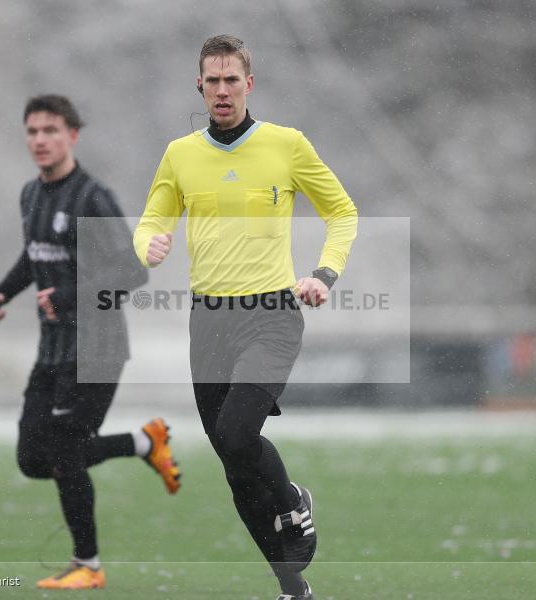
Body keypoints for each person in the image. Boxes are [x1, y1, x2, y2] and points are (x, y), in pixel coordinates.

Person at [134, 35, 357, 600]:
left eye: (232, 79)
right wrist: (149, 245)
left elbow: (341, 211)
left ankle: (293, 503)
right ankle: (292, 587)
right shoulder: (180, 155)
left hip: (271, 315)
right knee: (234, 466)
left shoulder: (286, 145)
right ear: (200, 87)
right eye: (213, 81)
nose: (223, 90)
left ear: (249, 84)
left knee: (237, 435)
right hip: (208, 322)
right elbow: (150, 220)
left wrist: (324, 275)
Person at [0, 95, 181, 591]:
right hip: (52, 349)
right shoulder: (30, 195)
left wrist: (70, 295)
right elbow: (35, 256)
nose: (40, 140)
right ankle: (143, 442)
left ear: (73, 135)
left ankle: (87, 565)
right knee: (32, 458)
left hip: (97, 347)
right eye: (32, 131)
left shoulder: (93, 197)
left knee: (64, 449)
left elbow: (132, 272)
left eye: (50, 130)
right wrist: (2, 292)